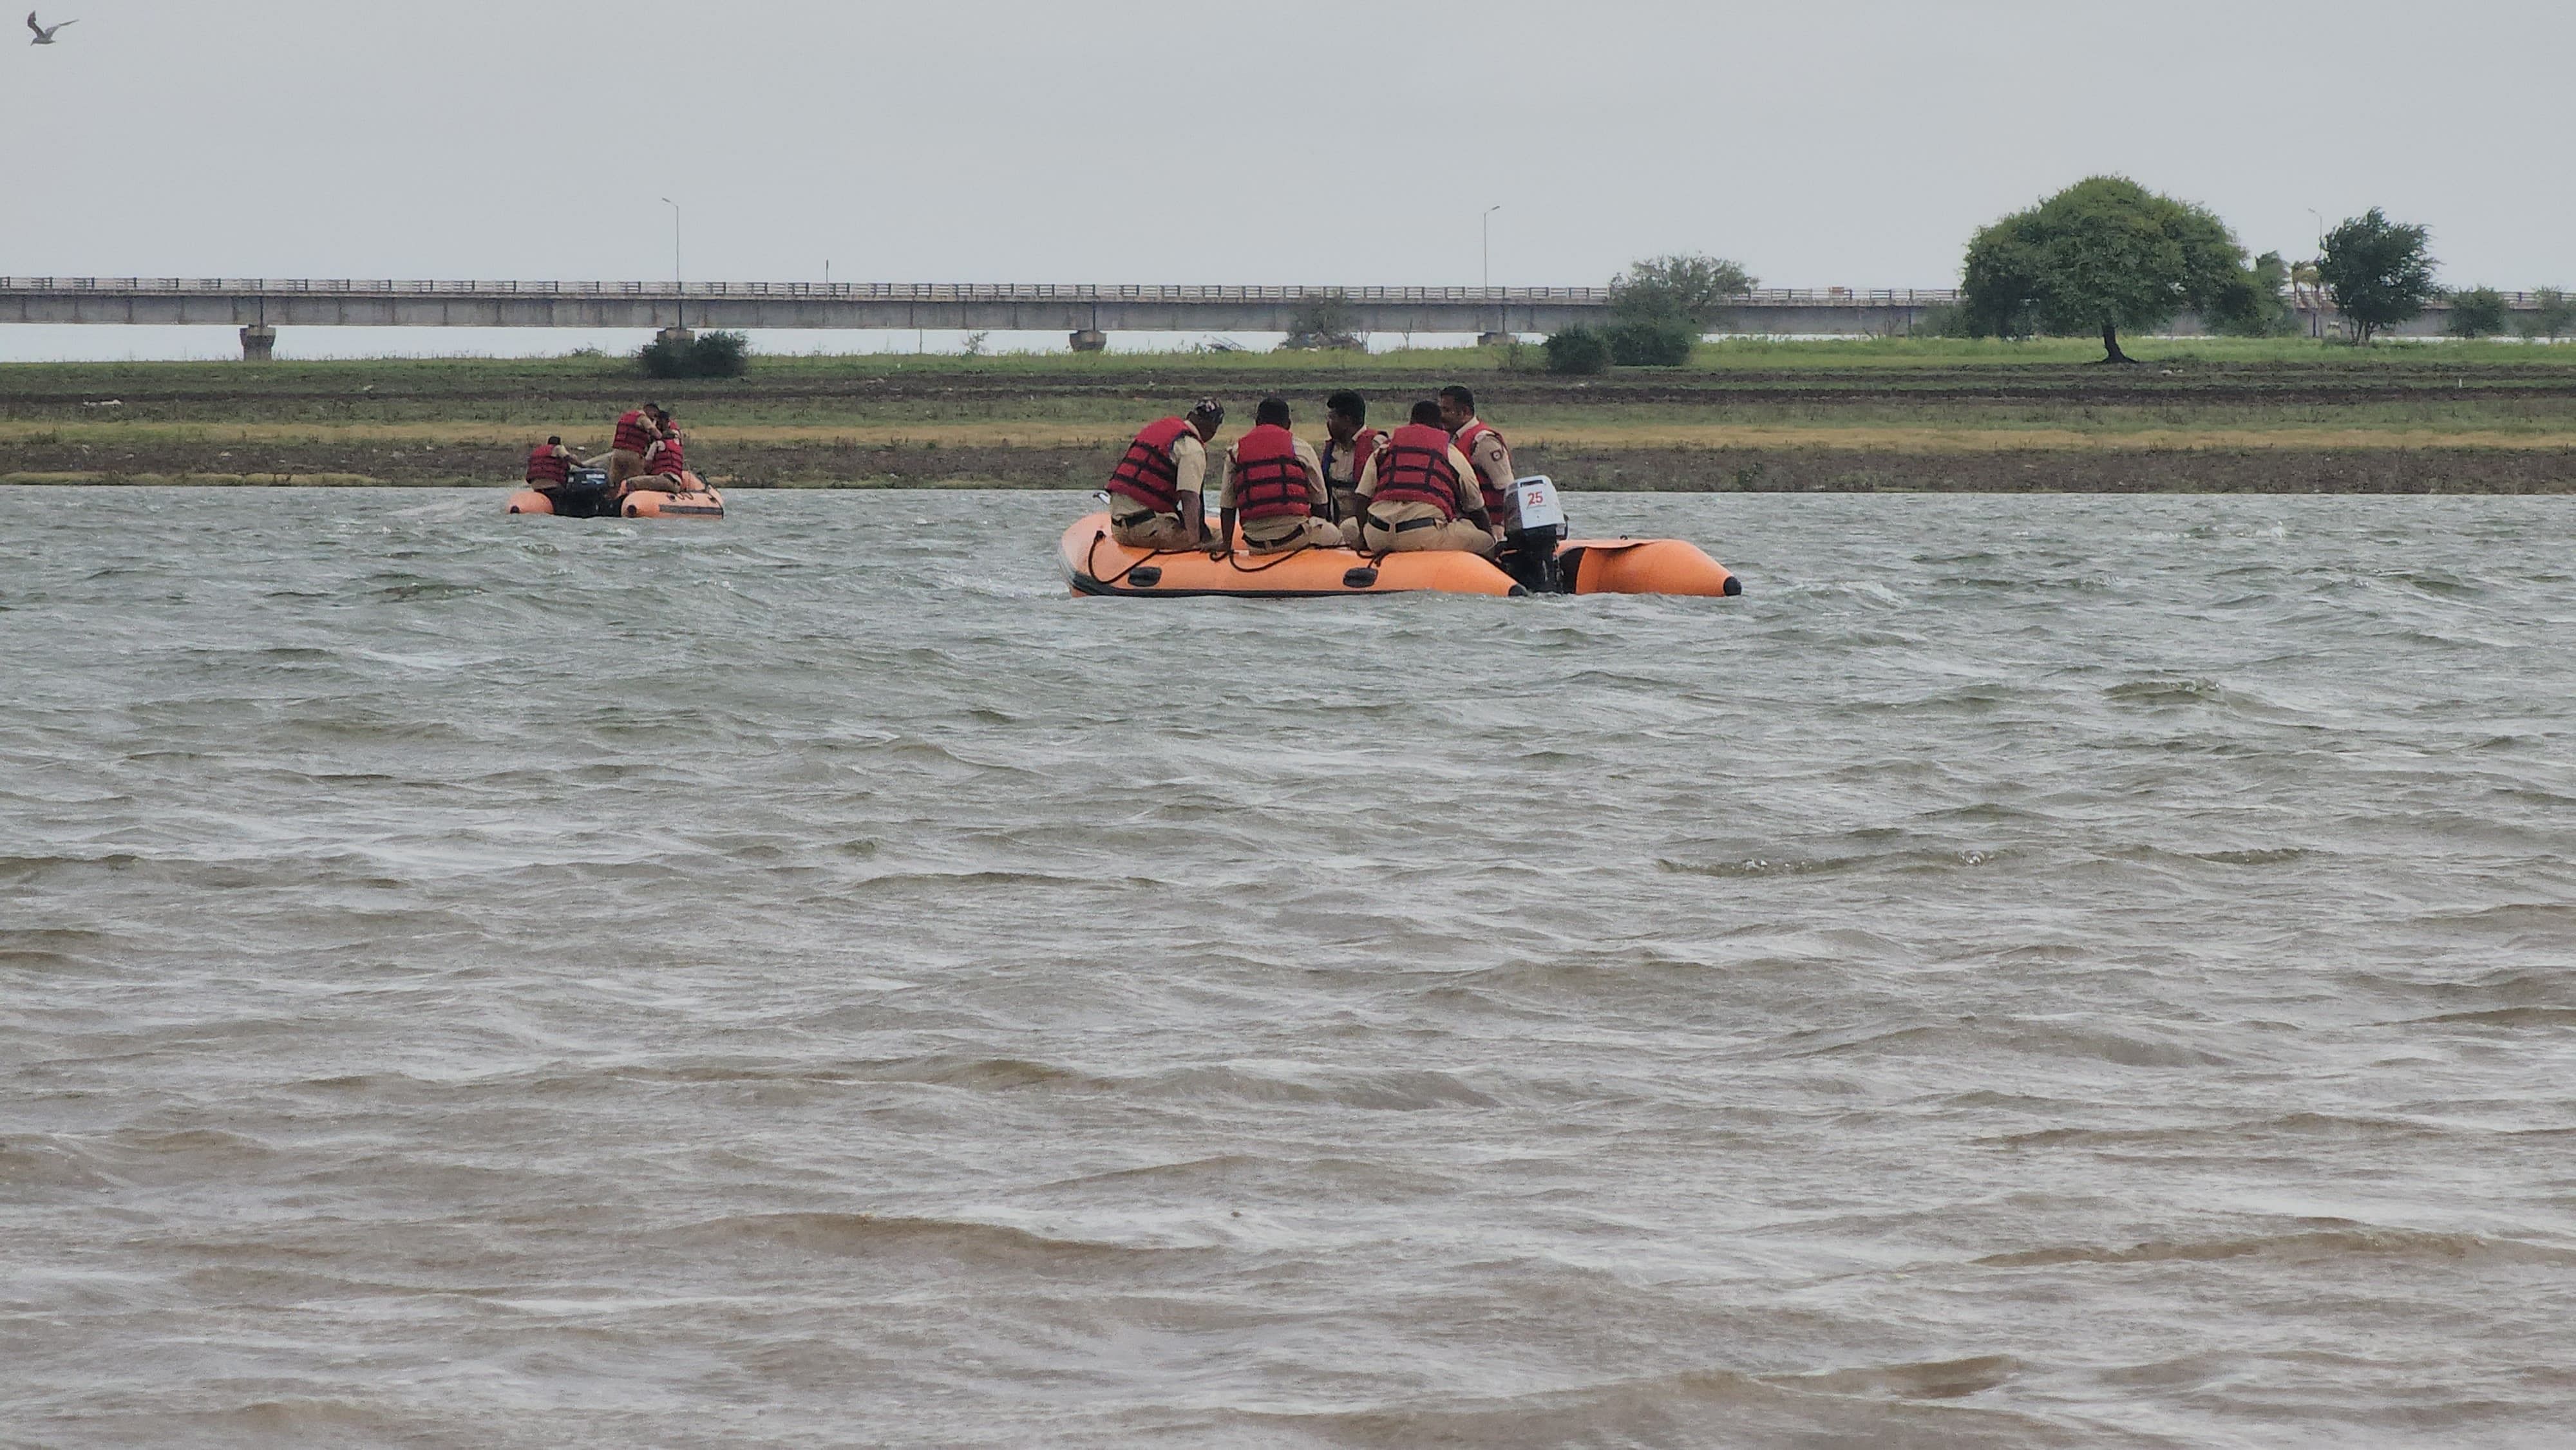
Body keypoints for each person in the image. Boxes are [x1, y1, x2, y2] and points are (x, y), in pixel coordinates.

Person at [1441, 384, 1560, 590]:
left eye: (1446, 410)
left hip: (1490, 526)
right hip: (1464, 525)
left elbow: (1506, 487)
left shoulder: (1483, 442)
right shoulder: (1454, 441)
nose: (1441, 416)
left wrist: (1499, 533)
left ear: (1465, 412)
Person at [1345, 400, 1497, 555]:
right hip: (1423, 535)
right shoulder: (1450, 453)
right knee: (1486, 541)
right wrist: (1490, 536)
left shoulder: (1383, 451)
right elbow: (1477, 509)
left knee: (1347, 526)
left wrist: (1364, 539)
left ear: (1410, 423)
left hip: (1377, 535)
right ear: (1440, 427)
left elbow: (1362, 499)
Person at [1212, 397, 1338, 557]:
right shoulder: (1301, 448)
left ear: (1257, 421)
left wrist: (1226, 545)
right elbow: (1320, 503)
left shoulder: (1235, 452)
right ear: (1288, 424)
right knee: (1337, 535)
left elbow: (1227, 507)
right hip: (1294, 538)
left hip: (1254, 542)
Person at [1105, 399, 1224, 551]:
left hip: (1119, 528)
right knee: (1221, 538)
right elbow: (1190, 498)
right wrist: (1195, 541)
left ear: (1190, 415)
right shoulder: (1192, 449)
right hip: (1148, 530)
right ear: (1213, 428)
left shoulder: (1161, 429)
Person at [1317, 391, 1383, 525]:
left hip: (1367, 525)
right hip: (1334, 526)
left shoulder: (1377, 446)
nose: (1328, 423)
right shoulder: (1331, 449)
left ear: (1347, 420)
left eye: (1332, 417)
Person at [630, 418, 698, 494]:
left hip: (665, 480)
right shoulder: (678, 449)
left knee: (631, 482)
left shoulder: (658, 444)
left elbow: (646, 465)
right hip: (677, 484)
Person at [607, 402, 666, 488]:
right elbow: (652, 430)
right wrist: (663, 438)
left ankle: (612, 497)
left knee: (615, 480)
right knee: (635, 480)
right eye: (655, 414)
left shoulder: (627, 416)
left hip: (617, 453)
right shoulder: (642, 417)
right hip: (633, 454)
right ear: (650, 410)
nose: (654, 418)